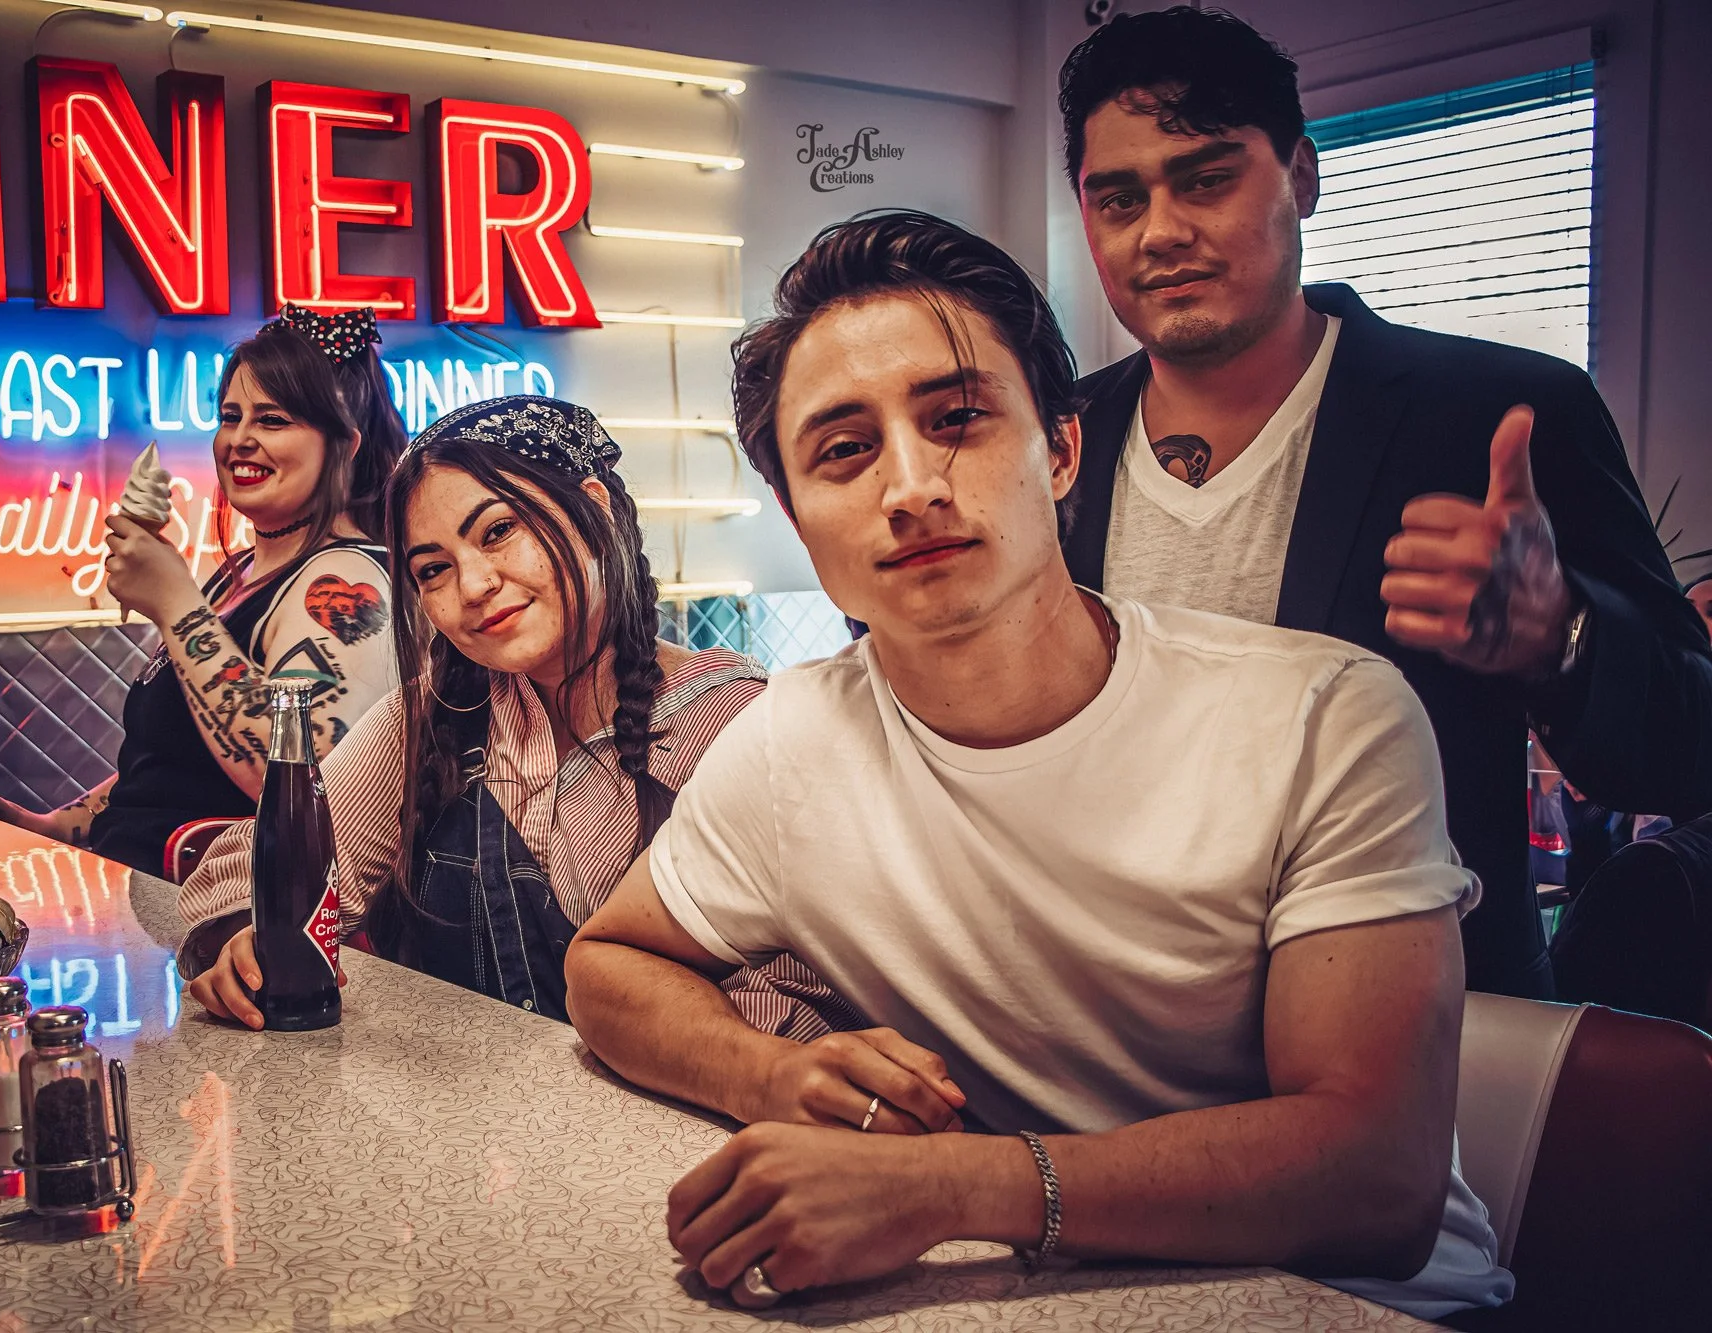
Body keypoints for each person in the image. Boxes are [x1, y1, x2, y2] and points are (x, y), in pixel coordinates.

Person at [563, 213, 1511, 1321]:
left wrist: (947, 1185)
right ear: (795, 518)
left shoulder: (1321, 715)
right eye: (844, 449)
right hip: (1041, 1292)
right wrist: (770, 1077)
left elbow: (1375, 1175)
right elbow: (608, 966)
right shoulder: (792, 739)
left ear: (1060, 449)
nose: (909, 486)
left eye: (956, 418)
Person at [1054, 6, 1712, 1001]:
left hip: (1425, 1032)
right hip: (1112, 1032)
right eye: (1118, 199)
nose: (1162, 232)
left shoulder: (1493, 416)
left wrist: (1556, 636)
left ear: (1301, 178)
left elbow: (1686, 753)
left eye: (1206, 178)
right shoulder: (1051, 443)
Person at [177, 396, 858, 1038]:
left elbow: (803, 1011)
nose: (472, 585)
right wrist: (241, 940)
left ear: (595, 510)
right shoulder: (435, 713)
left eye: (499, 531)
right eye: (434, 569)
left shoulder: (736, 723)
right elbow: (250, 873)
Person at [0, 306, 408, 876]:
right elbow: (169, 764)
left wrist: (176, 606)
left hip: (211, 924)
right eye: (230, 416)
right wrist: (44, 826)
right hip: (134, 890)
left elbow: (298, 781)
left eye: (273, 420)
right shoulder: (236, 576)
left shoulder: (351, 582)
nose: (239, 440)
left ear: (345, 442)